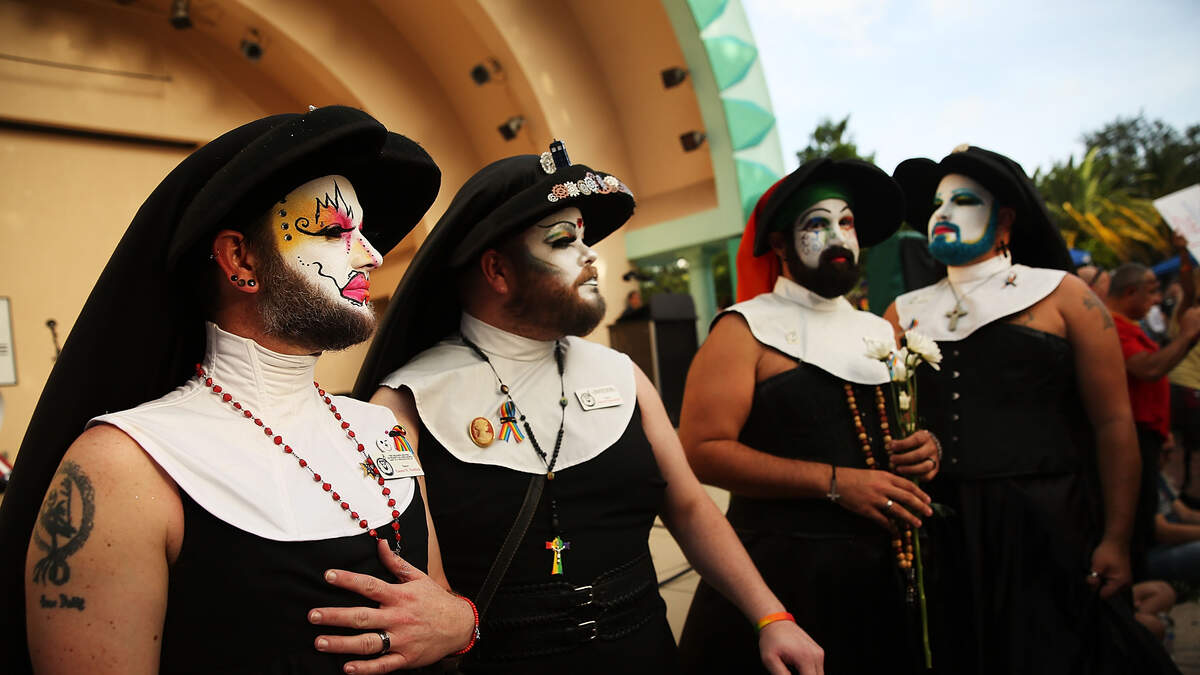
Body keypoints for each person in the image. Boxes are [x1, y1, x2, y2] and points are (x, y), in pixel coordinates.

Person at [0, 106, 476, 674]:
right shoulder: (123, 465)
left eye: (365, 233)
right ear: (241, 259)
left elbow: (441, 598)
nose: (371, 254)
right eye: (333, 231)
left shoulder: (381, 430)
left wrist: (461, 623)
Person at [351, 142, 825, 674]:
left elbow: (691, 508)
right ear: (497, 271)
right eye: (562, 239)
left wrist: (771, 616)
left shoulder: (622, 375)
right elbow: (426, 588)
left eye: (584, 236)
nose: (590, 254)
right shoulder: (404, 406)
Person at [885, 145, 1174, 674]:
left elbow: (1113, 423)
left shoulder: (1066, 298)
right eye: (935, 204)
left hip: (1049, 524)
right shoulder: (901, 313)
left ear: (1006, 221)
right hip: (943, 530)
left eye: (963, 201)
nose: (942, 214)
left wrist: (1116, 539)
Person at [674, 158, 939, 674]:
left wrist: (927, 448)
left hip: (882, 576)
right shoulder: (743, 329)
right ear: (779, 244)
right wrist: (836, 483)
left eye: (847, 223)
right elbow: (701, 452)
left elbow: (896, 431)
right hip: (782, 572)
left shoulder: (881, 330)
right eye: (817, 224)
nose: (838, 237)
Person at [1104, 261, 1200, 577]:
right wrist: (1186, 337)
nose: (1157, 299)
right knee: (1140, 526)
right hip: (1133, 439)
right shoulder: (1110, 327)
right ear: (1130, 291)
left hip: (1149, 437)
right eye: (1151, 291)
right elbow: (1148, 368)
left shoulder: (1130, 324)